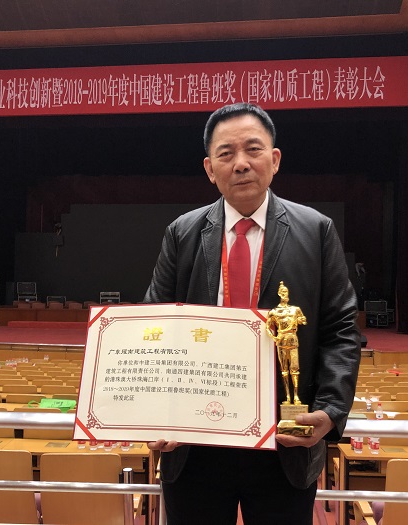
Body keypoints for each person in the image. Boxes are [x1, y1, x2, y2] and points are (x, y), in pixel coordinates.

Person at [143, 102, 361, 525]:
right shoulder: (182, 233)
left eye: (253, 149)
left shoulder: (316, 231)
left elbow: (341, 330)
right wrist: (152, 413)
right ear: (210, 169)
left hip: (284, 444)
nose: (241, 163)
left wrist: (331, 409)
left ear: (274, 159)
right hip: (196, 443)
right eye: (226, 154)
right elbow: (154, 325)